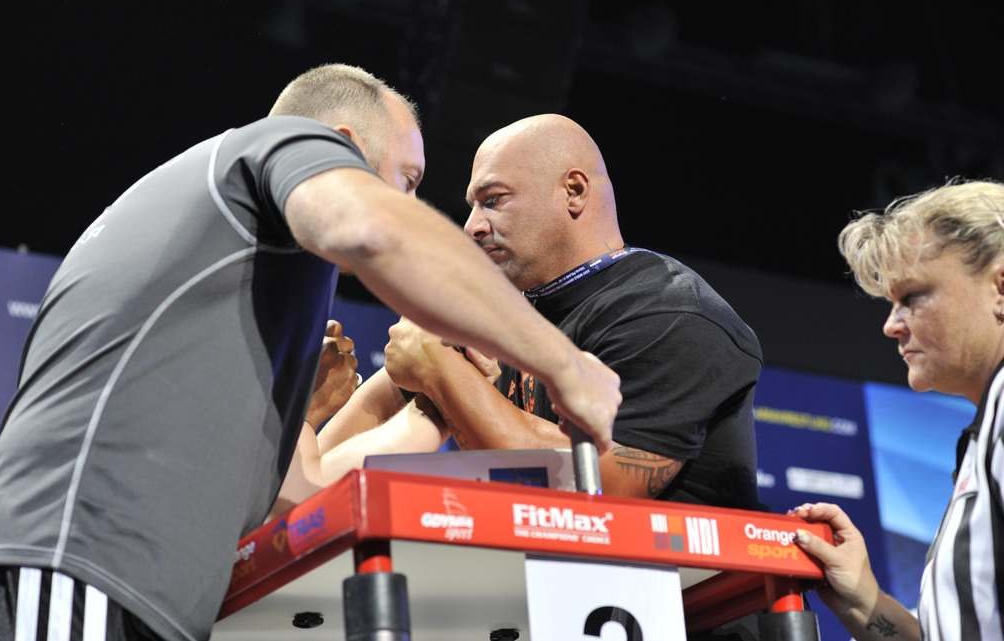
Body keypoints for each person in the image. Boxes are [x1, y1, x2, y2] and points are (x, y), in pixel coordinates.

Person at [0, 66, 620, 641]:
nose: (412, 205)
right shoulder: (276, 145)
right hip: (75, 568)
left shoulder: (243, 274)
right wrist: (561, 361)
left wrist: (437, 401)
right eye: (408, 180)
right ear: (341, 144)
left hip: (122, 590)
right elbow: (372, 229)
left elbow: (305, 486)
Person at [313, 113, 764, 505]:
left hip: (681, 601)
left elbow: (598, 492)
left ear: (573, 191)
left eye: (493, 200)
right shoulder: (492, 314)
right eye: (472, 206)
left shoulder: (669, 314)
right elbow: (317, 475)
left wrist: (441, 372)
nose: (472, 225)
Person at [792, 179, 1004, 641]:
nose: (891, 326)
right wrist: (863, 599)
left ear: (1001, 286)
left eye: (912, 297)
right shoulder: (982, 435)